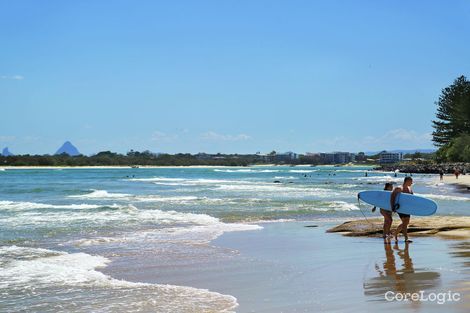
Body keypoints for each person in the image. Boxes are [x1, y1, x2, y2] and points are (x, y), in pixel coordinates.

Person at [390, 176, 413, 243]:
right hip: (400, 208)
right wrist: (392, 207)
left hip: (407, 208)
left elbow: (412, 199)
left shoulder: (410, 189)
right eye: (411, 181)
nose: (412, 183)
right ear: (407, 181)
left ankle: (396, 234)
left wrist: (412, 208)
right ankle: (406, 238)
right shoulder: (399, 188)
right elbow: (392, 197)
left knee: (406, 223)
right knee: (405, 223)